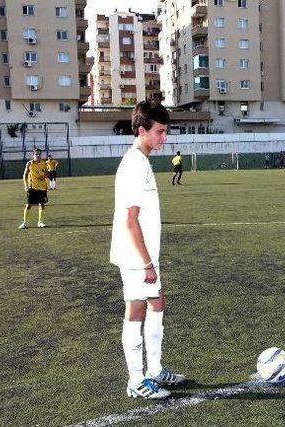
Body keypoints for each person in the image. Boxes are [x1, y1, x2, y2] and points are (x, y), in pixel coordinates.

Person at [110, 100, 185, 399]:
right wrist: (146, 264)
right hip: (135, 257)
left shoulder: (142, 160)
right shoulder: (133, 165)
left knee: (157, 304)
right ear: (142, 131)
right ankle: (136, 380)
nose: (164, 138)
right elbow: (130, 221)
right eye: (160, 132)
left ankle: (154, 369)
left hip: (145, 256)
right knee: (137, 310)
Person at [18, 148, 49, 229]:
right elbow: (24, 175)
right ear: (33, 155)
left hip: (42, 187)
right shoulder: (29, 164)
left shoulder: (44, 163)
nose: (38, 155)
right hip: (32, 187)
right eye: (36, 154)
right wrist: (26, 185)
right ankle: (24, 223)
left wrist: (44, 176)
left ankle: (40, 222)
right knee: (28, 205)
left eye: (39, 154)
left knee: (42, 204)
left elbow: (47, 173)